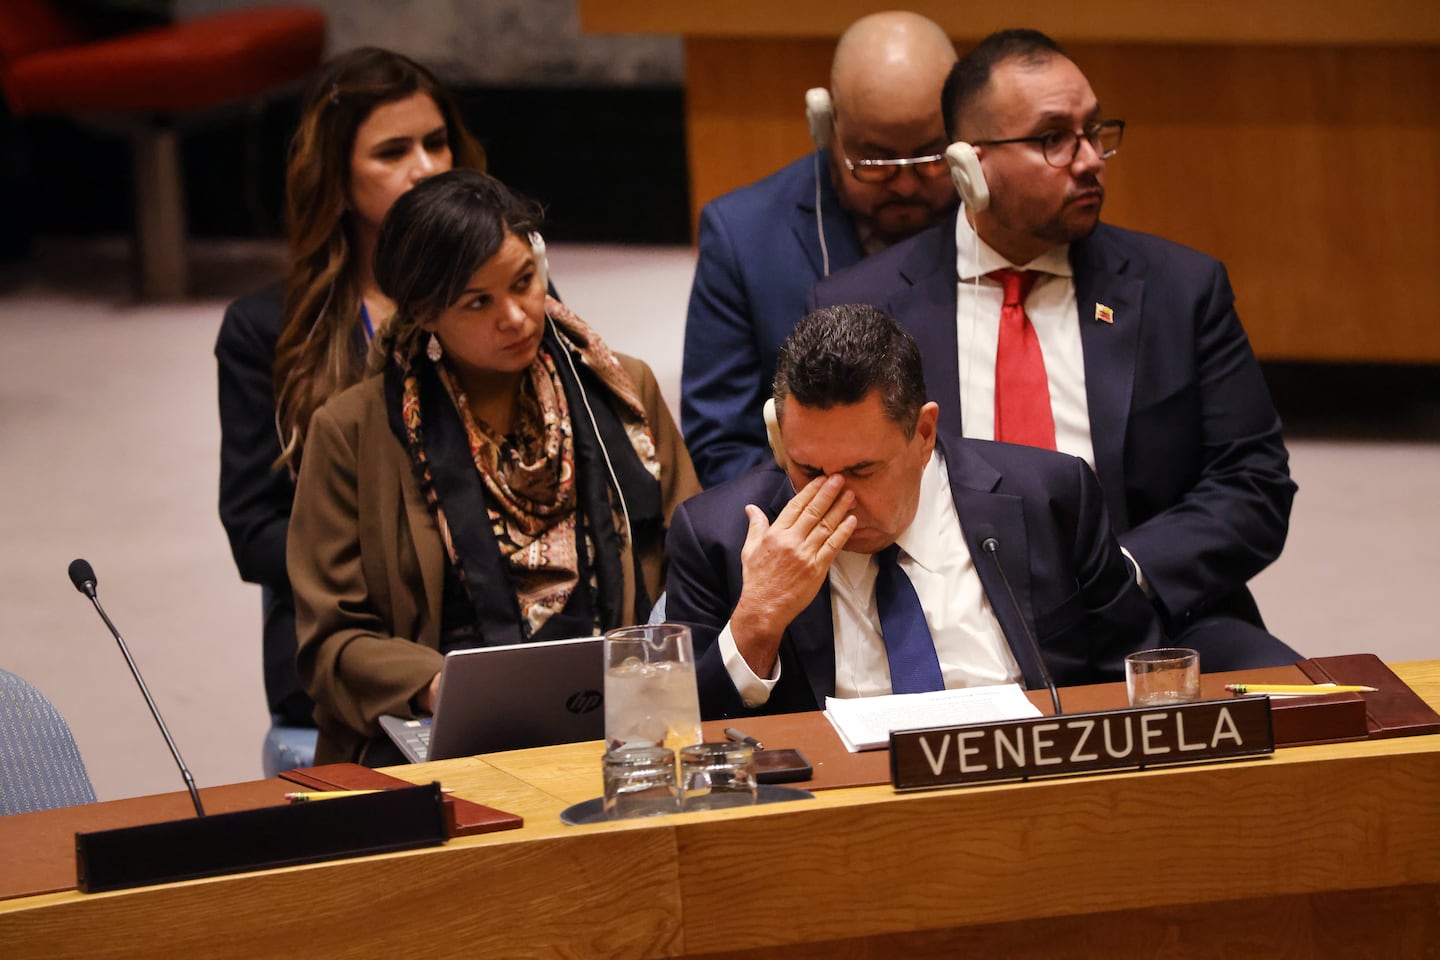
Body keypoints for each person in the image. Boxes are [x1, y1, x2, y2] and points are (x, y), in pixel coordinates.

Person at [811, 29, 1299, 669]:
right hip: (944, 624)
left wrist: (1122, 571)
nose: (1090, 159)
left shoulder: (1180, 290)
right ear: (970, 166)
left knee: (1312, 708)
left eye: (1093, 131)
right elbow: (828, 488)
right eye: (1053, 139)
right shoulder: (863, 309)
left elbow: (1253, 484)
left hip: (1151, 618)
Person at [288, 169, 700, 763]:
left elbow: (692, 562)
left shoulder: (619, 391)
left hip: (626, 717)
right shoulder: (352, 433)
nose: (516, 316)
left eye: (525, 282)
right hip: (447, 737)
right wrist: (441, 688)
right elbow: (333, 640)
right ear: (425, 312)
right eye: (478, 302)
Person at [665, 305, 1161, 719]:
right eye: (809, 470)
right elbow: (682, 738)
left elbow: (1142, 682)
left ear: (923, 434)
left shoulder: (1050, 498)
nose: (836, 498)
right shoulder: (717, 538)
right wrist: (757, 621)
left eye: (862, 470)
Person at [216, 48, 486, 728]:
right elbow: (254, 530)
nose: (425, 167)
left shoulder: (504, 298)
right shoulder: (266, 329)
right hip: (345, 638)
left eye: (436, 143)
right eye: (392, 152)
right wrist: (408, 558)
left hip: (493, 619)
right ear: (337, 174)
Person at [681, 11, 959, 488]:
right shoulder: (743, 236)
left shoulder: (999, 221)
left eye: (930, 158)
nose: (905, 184)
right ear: (825, 127)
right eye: (876, 161)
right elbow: (722, 446)